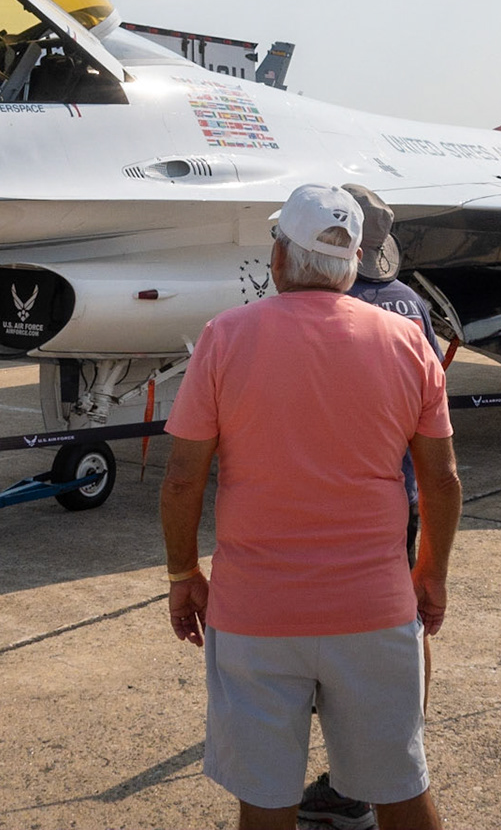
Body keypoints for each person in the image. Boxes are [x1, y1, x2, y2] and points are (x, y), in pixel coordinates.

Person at [160, 184, 462, 830]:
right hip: (374, 609)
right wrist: (430, 574)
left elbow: (183, 480)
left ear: (278, 258)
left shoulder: (225, 336)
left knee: (266, 803)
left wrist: (183, 574)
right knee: (402, 793)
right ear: (352, 264)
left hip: (255, 613)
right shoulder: (407, 342)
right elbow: (441, 480)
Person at [301, 184, 445, 830]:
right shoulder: (410, 303)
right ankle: (396, 750)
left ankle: (353, 784)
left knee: (326, 648)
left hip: (330, 500)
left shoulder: (330, 302)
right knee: (402, 629)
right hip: (401, 495)